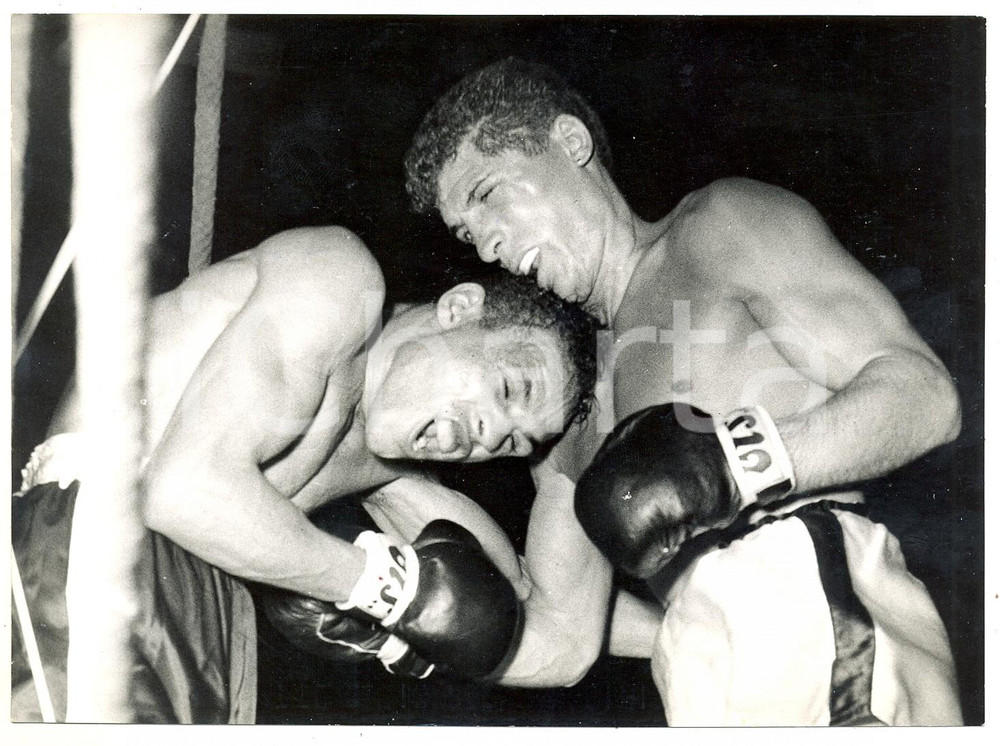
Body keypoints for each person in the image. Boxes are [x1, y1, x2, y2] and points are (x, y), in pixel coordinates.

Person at [403, 57, 961, 690]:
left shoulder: (718, 230)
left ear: (570, 143)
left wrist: (730, 463)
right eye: (467, 234)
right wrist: (396, 602)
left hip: (823, 619)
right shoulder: (564, 410)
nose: (486, 248)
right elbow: (562, 639)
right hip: (695, 671)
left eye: (487, 195)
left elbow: (925, 396)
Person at [13, 224, 602, 719]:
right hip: (96, 551)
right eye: (507, 388)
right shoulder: (340, 280)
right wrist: (382, 589)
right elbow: (181, 491)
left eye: (515, 442)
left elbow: (554, 641)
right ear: (458, 308)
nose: (490, 435)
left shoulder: (391, 475)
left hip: (207, 626)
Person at [574, 402, 961, 725]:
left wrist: (729, 467)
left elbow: (934, 402)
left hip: (797, 590)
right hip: (692, 650)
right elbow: (564, 640)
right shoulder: (561, 453)